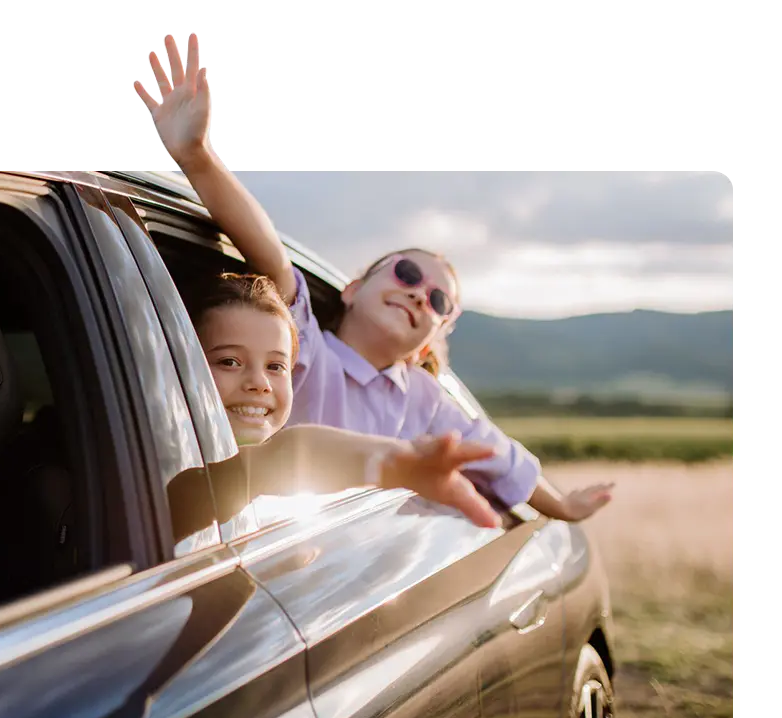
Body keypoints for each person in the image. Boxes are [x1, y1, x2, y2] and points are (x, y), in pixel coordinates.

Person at [135, 33, 614, 524]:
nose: (419, 294)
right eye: (407, 273)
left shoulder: (425, 399)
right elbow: (273, 257)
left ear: (431, 340)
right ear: (353, 289)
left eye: (438, 301)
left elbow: (500, 457)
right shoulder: (304, 350)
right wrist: (196, 155)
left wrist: (563, 507)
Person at [167, 272, 510, 541]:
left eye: (275, 366)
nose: (259, 383)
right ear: (180, 367)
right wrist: (387, 462)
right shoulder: (171, 478)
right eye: (229, 361)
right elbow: (282, 456)